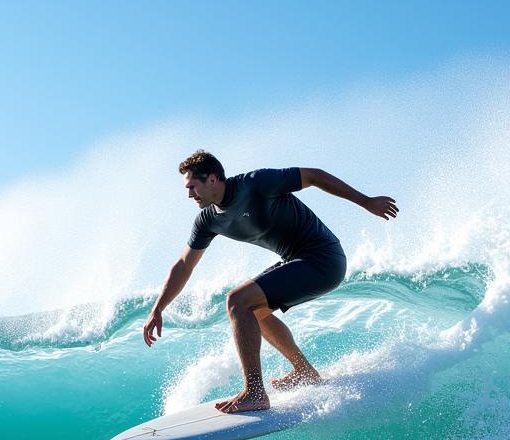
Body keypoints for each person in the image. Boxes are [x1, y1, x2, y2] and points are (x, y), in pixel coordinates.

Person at [143, 150, 398, 413]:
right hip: (295, 259)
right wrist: (158, 308)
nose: (189, 195)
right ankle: (304, 371)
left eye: (192, 186)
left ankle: (254, 393)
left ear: (212, 179)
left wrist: (366, 201)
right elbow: (185, 265)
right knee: (254, 311)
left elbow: (313, 176)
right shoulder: (208, 220)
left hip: (324, 258)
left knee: (236, 301)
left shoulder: (255, 183)